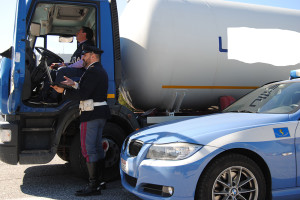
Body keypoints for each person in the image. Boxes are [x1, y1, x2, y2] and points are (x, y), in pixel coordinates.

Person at [51, 45, 111, 196]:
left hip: (90, 114)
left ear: (92, 55)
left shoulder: (92, 71)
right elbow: (88, 89)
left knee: (88, 149)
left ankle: (93, 186)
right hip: (99, 114)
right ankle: (100, 181)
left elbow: (83, 94)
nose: (82, 58)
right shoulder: (98, 70)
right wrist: (74, 84)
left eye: (84, 56)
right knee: (97, 148)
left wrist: (63, 91)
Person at [44, 26, 95, 103]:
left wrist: (67, 66)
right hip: (77, 69)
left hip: (83, 72)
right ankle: (43, 95)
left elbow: (82, 63)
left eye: (79, 31)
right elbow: (74, 62)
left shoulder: (87, 45)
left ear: (84, 34)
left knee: (62, 71)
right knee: (52, 72)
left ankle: (54, 98)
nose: (76, 33)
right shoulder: (81, 46)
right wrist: (59, 64)